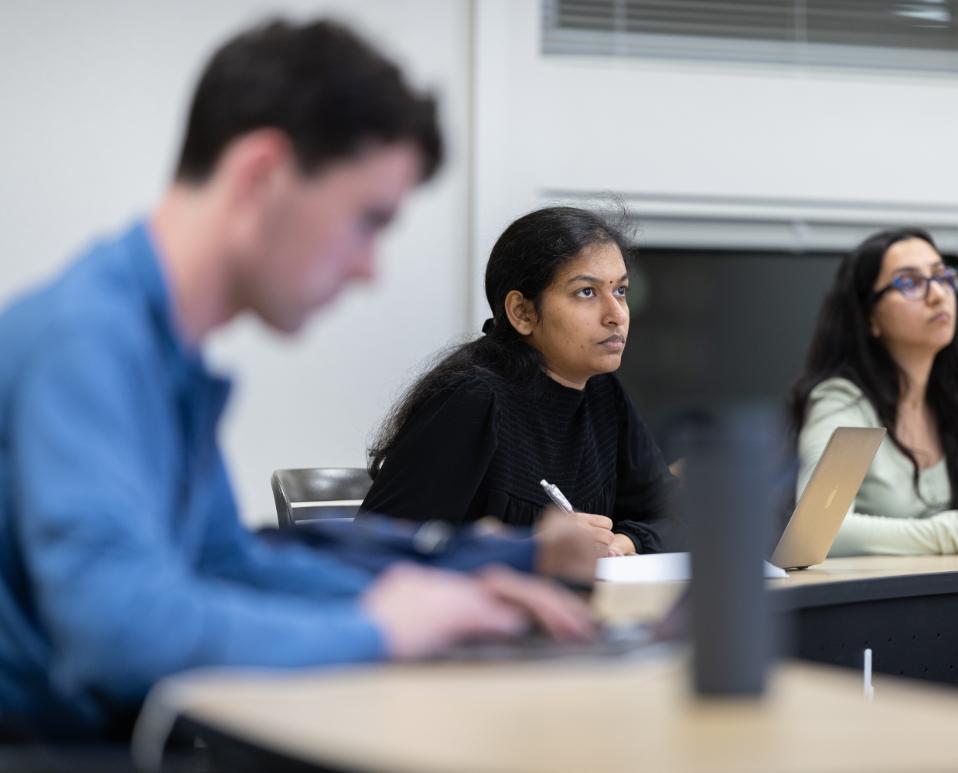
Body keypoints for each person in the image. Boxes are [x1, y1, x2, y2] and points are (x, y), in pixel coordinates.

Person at [0, 19, 595, 742]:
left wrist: (435, 596)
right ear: (261, 174)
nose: (367, 268)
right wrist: (376, 627)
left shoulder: (155, 346)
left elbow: (222, 563)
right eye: (366, 220)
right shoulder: (88, 340)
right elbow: (115, 630)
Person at [358, 206, 676, 557]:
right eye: (586, 292)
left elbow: (671, 514)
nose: (616, 316)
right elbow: (373, 550)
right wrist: (525, 548)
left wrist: (624, 542)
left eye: (620, 291)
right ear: (522, 313)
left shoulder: (603, 394)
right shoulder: (472, 399)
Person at [789, 228, 958, 556]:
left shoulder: (954, 403)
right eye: (909, 283)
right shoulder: (846, 402)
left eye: (942, 277)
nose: (937, 294)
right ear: (870, 318)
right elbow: (817, 531)